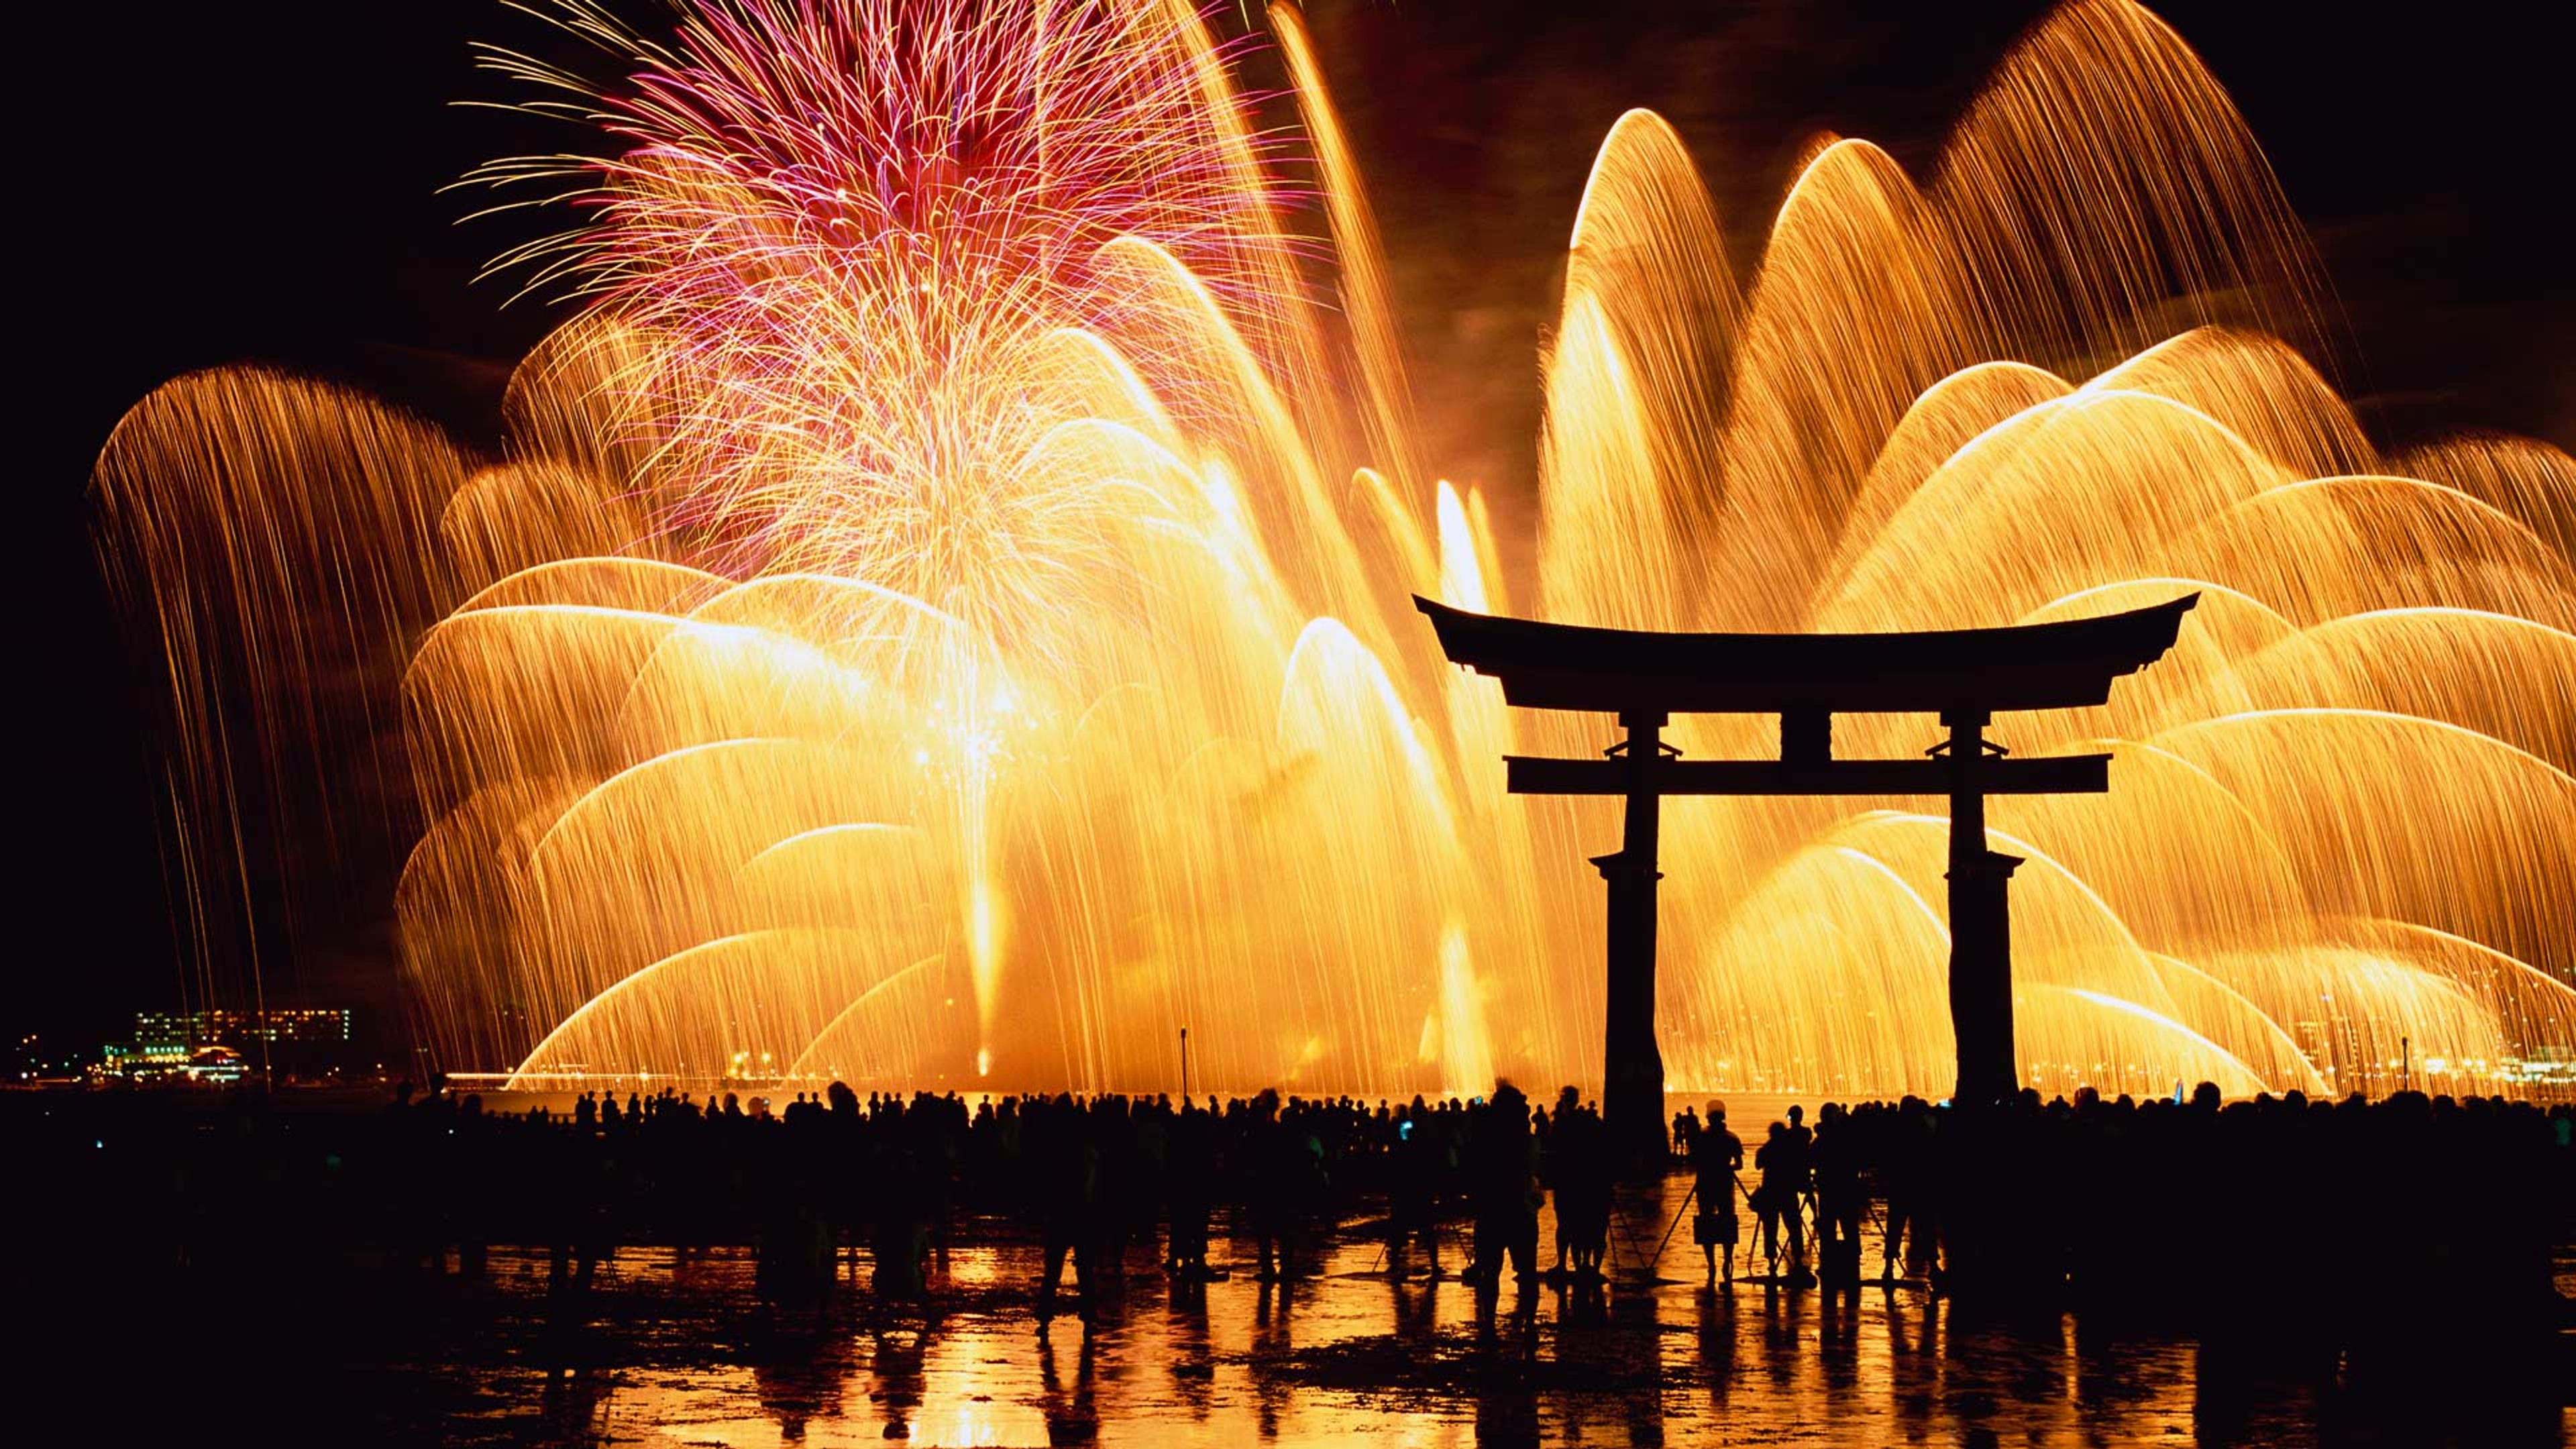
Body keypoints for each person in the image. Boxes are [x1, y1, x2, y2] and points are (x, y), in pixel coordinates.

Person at [1690, 1100, 1743, 1285]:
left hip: (1705, 1184)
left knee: (1706, 1222)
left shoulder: (1701, 1138)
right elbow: (1739, 1164)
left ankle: (1711, 1264)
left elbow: (1693, 1160)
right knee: (1727, 1221)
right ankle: (1727, 1261)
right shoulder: (1732, 1138)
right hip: (1724, 1184)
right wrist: (1727, 1168)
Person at [1754, 1121, 1812, 1285]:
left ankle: (1772, 1264)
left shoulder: (1767, 1149)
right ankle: (1798, 1260)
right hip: (1788, 1192)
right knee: (1794, 1227)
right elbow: (1800, 1168)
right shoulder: (1790, 1149)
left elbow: (1758, 1165)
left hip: (1771, 1193)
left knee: (1771, 1229)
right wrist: (1805, 1186)